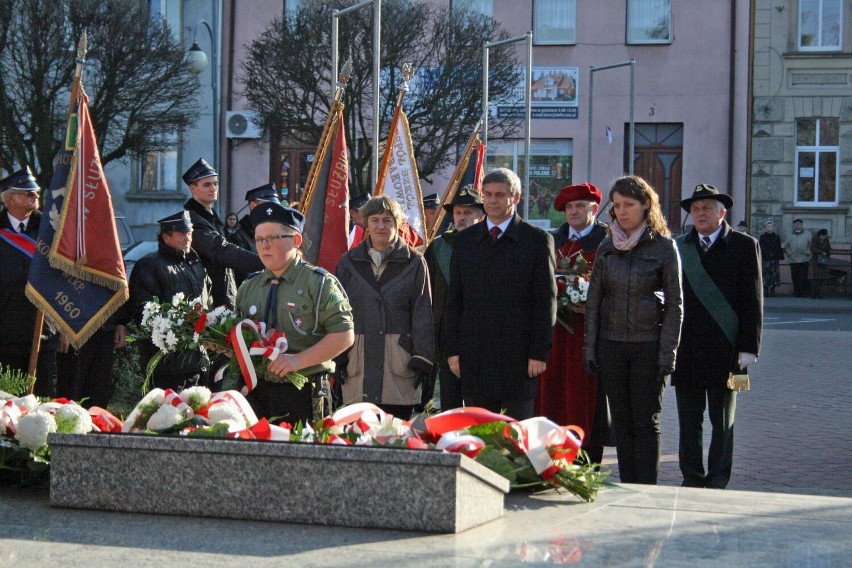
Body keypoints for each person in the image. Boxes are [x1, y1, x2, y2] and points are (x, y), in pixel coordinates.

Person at [584, 175, 683, 485]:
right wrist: (590, 348)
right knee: (622, 422)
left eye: (629, 204)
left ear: (645, 206)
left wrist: (668, 353)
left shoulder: (664, 247)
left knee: (646, 421)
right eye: (617, 205)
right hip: (611, 345)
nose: (622, 211)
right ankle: (629, 484)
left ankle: (647, 488)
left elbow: (675, 305)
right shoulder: (606, 246)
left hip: (648, 345)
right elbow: (594, 300)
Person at [445, 168, 556, 420]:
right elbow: (455, 300)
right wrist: (453, 349)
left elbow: (545, 302)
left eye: (500, 195)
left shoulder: (537, 240)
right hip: (475, 353)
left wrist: (538, 353)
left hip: (518, 355)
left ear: (515, 198)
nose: (492, 200)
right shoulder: (465, 241)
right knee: (479, 432)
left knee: (517, 433)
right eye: (488, 194)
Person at [672, 183, 762, 489]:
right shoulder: (679, 246)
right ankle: (692, 477)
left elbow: (753, 300)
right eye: (695, 209)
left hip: (727, 350)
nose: (700, 213)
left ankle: (718, 478)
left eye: (706, 208)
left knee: (722, 421)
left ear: (721, 213)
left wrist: (749, 346)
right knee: (689, 421)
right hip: (687, 349)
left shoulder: (743, 245)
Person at [234, 202, 354, 424]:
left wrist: (297, 360)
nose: (264, 245)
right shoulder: (249, 286)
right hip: (257, 393)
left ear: (296, 240)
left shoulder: (318, 283)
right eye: (259, 239)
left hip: (304, 391)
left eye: (272, 238)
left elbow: (344, 335)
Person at [335, 195, 434, 420]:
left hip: (398, 364)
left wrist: (423, 359)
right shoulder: (348, 263)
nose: (381, 226)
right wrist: (338, 357)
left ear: (397, 224)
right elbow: (337, 313)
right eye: (375, 219)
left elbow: (423, 312)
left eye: (387, 220)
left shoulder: (415, 263)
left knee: (396, 437)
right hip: (357, 363)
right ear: (366, 224)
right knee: (358, 436)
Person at [535, 182, 610, 465]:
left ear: (594, 209)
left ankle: (585, 458)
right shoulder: (551, 240)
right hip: (554, 334)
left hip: (588, 335)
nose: (574, 212)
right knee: (551, 393)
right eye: (569, 207)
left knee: (583, 396)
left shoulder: (608, 240)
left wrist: (592, 305)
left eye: (580, 206)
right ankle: (550, 456)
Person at [128, 211, 212, 391]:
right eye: (182, 234)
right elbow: (143, 312)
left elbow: (207, 302)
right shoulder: (149, 266)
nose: (187, 238)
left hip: (197, 360)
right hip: (165, 365)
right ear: (166, 237)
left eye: (189, 233)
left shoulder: (195, 264)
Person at [422, 185, 485, 411]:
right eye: (458, 212)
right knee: (449, 400)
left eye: (468, 212)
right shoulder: (439, 246)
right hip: (445, 331)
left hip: (480, 332)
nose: (462, 217)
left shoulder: (489, 245)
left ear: (481, 215)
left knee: (478, 401)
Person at [0, 167, 57, 397]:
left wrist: (60, 330)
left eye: (36, 193)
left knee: (41, 398)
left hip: (42, 329)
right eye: (28, 193)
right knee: (7, 400)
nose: (36, 197)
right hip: (6, 331)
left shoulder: (49, 228)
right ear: (9, 197)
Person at [182, 158, 264, 308]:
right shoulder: (192, 219)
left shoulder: (212, 218)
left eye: (215, 183)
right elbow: (221, 250)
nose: (213, 188)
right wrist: (265, 261)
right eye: (207, 184)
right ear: (192, 188)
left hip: (222, 298)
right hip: (206, 301)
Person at [784, 218, 811, 297]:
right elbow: (786, 246)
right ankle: (796, 292)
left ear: (802, 225)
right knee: (795, 277)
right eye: (795, 224)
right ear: (793, 225)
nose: (797, 225)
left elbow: (810, 244)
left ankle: (803, 292)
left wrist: (808, 252)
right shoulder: (789, 234)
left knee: (803, 277)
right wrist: (789, 254)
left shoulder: (807, 234)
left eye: (799, 224)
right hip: (793, 259)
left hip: (804, 259)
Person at [758, 220, 783, 297]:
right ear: (765, 228)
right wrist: (767, 253)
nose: (769, 228)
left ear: (773, 228)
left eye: (771, 226)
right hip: (765, 259)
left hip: (774, 259)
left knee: (774, 275)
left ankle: (772, 291)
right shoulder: (762, 237)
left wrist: (773, 253)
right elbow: (761, 247)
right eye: (768, 226)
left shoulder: (776, 237)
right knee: (765, 275)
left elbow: (778, 247)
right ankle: (765, 290)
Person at [808, 229, 832, 299]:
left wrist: (828, 252)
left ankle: (821, 295)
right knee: (815, 278)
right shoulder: (814, 239)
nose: (824, 237)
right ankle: (814, 294)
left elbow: (829, 248)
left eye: (825, 236)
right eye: (823, 235)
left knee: (822, 278)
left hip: (824, 261)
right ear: (820, 235)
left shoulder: (826, 240)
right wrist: (821, 252)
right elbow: (812, 248)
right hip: (815, 261)